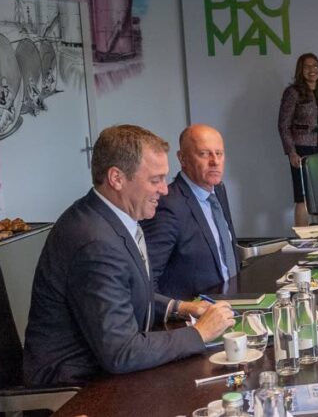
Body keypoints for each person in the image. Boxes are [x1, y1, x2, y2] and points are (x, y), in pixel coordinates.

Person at [23, 125, 235, 387]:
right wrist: (199, 334)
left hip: (104, 368)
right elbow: (121, 352)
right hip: (79, 385)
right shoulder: (95, 242)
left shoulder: (110, 218)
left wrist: (178, 307)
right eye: (155, 180)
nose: (165, 190)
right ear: (117, 178)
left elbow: (124, 293)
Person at [142, 124, 239, 301]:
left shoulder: (218, 190)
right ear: (182, 158)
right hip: (194, 315)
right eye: (204, 154)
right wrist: (176, 314)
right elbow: (148, 280)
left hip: (232, 302)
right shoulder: (167, 205)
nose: (215, 161)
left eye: (219, 153)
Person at [278, 53, 318, 226]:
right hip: (301, 148)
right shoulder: (293, 93)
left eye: (315, 65)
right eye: (307, 66)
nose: (312, 70)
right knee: (303, 197)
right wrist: (291, 152)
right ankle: (302, 243)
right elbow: (283, 124)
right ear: (300, 70)